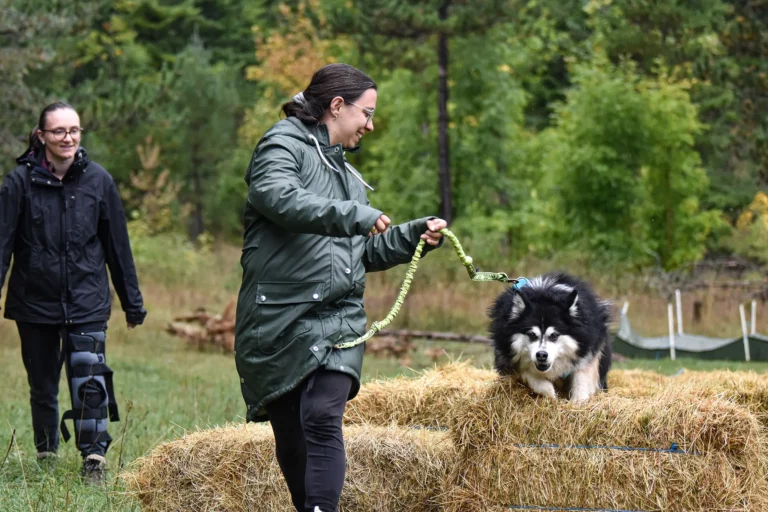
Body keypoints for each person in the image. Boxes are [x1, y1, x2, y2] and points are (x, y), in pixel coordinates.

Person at [234, 63, 447, 512]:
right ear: (336, 106)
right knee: (291, 433)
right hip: (280, 317)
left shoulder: (350, 178)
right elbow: (277, 197)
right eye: (366, 113)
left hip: (339, 318)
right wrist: (356, 216)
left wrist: (412, 237)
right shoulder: (281, 144)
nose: (370, 125)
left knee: (323, 416)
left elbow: (360, 255)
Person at [0, 102, 146, 484]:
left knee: (90, 381)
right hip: (34, 301)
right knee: (43, 384)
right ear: (42, 136)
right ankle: (47, 451)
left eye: (74, 130)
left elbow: (117, 245)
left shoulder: (98, 181)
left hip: (87, 300)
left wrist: (132, 302)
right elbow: (2, 244)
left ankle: (94, 459)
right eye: (59, 131)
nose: (68, 137)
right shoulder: (19, 183)